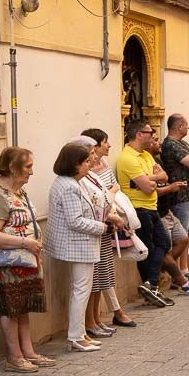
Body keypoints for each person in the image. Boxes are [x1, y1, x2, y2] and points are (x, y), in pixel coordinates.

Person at [0, 147, 53, 372]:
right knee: (10, 307)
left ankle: (28, 352)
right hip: (4, 263)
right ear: (12, 168)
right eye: (28, 167)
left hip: (23, 260)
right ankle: (14, 356)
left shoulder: (19, 191)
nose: (32, 172)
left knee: (22, 307)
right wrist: (25, 243)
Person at [45, 142, 117, 353]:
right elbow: (75, 220)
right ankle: (76, 336)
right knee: (81, 290)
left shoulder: (74, 183)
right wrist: (102, 227)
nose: (90, 164)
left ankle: (80, 333)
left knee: (81, 289)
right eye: (86, 161)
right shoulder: (68, 186)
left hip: (80, 243)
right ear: (74, 164)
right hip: (77, 244)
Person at [81, 128, 135, 332]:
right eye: (104, 142)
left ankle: (95, 320)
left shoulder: (98, 171)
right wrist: (111, 196)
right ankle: (89, 323)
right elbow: (104, 197)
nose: (109, 145)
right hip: (96, 227)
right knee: (92, 281)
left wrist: (110, 194)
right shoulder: (85, 177)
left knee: (103, 276)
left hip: (104, 227)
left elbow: (111, 190)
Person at [116, 121, 170, 308]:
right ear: (139, 134)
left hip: (151, 206)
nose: (154, 136)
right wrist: (152, 179)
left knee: (164, 243)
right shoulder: (127, 158)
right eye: (150, 132)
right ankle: (151, 286)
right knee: (147, 249)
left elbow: (165, 177)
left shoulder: (146, 155)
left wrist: (150, 178)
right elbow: (148, 187)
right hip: (138, 208)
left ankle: (150, 284)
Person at [146, 137, 189, 299]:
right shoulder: (140, 160)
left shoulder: (156, 159)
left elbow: (163, 177)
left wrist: (161, 179)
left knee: (183, 238)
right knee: (165, 247)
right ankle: (180, 280)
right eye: (155, 139)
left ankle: (163, 271)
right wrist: (168, 186)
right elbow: (150, 187)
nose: (159, 142)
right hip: (155, 211)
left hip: (167, 210)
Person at [159, 114, 189, 270]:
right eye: (186, 124)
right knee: (181, 236)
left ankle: (184, 269)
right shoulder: (171, 145)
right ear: (179, 127)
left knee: (188, 234)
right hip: (180, 196)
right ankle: (178, 271)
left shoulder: (182, 143)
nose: (188, 127)